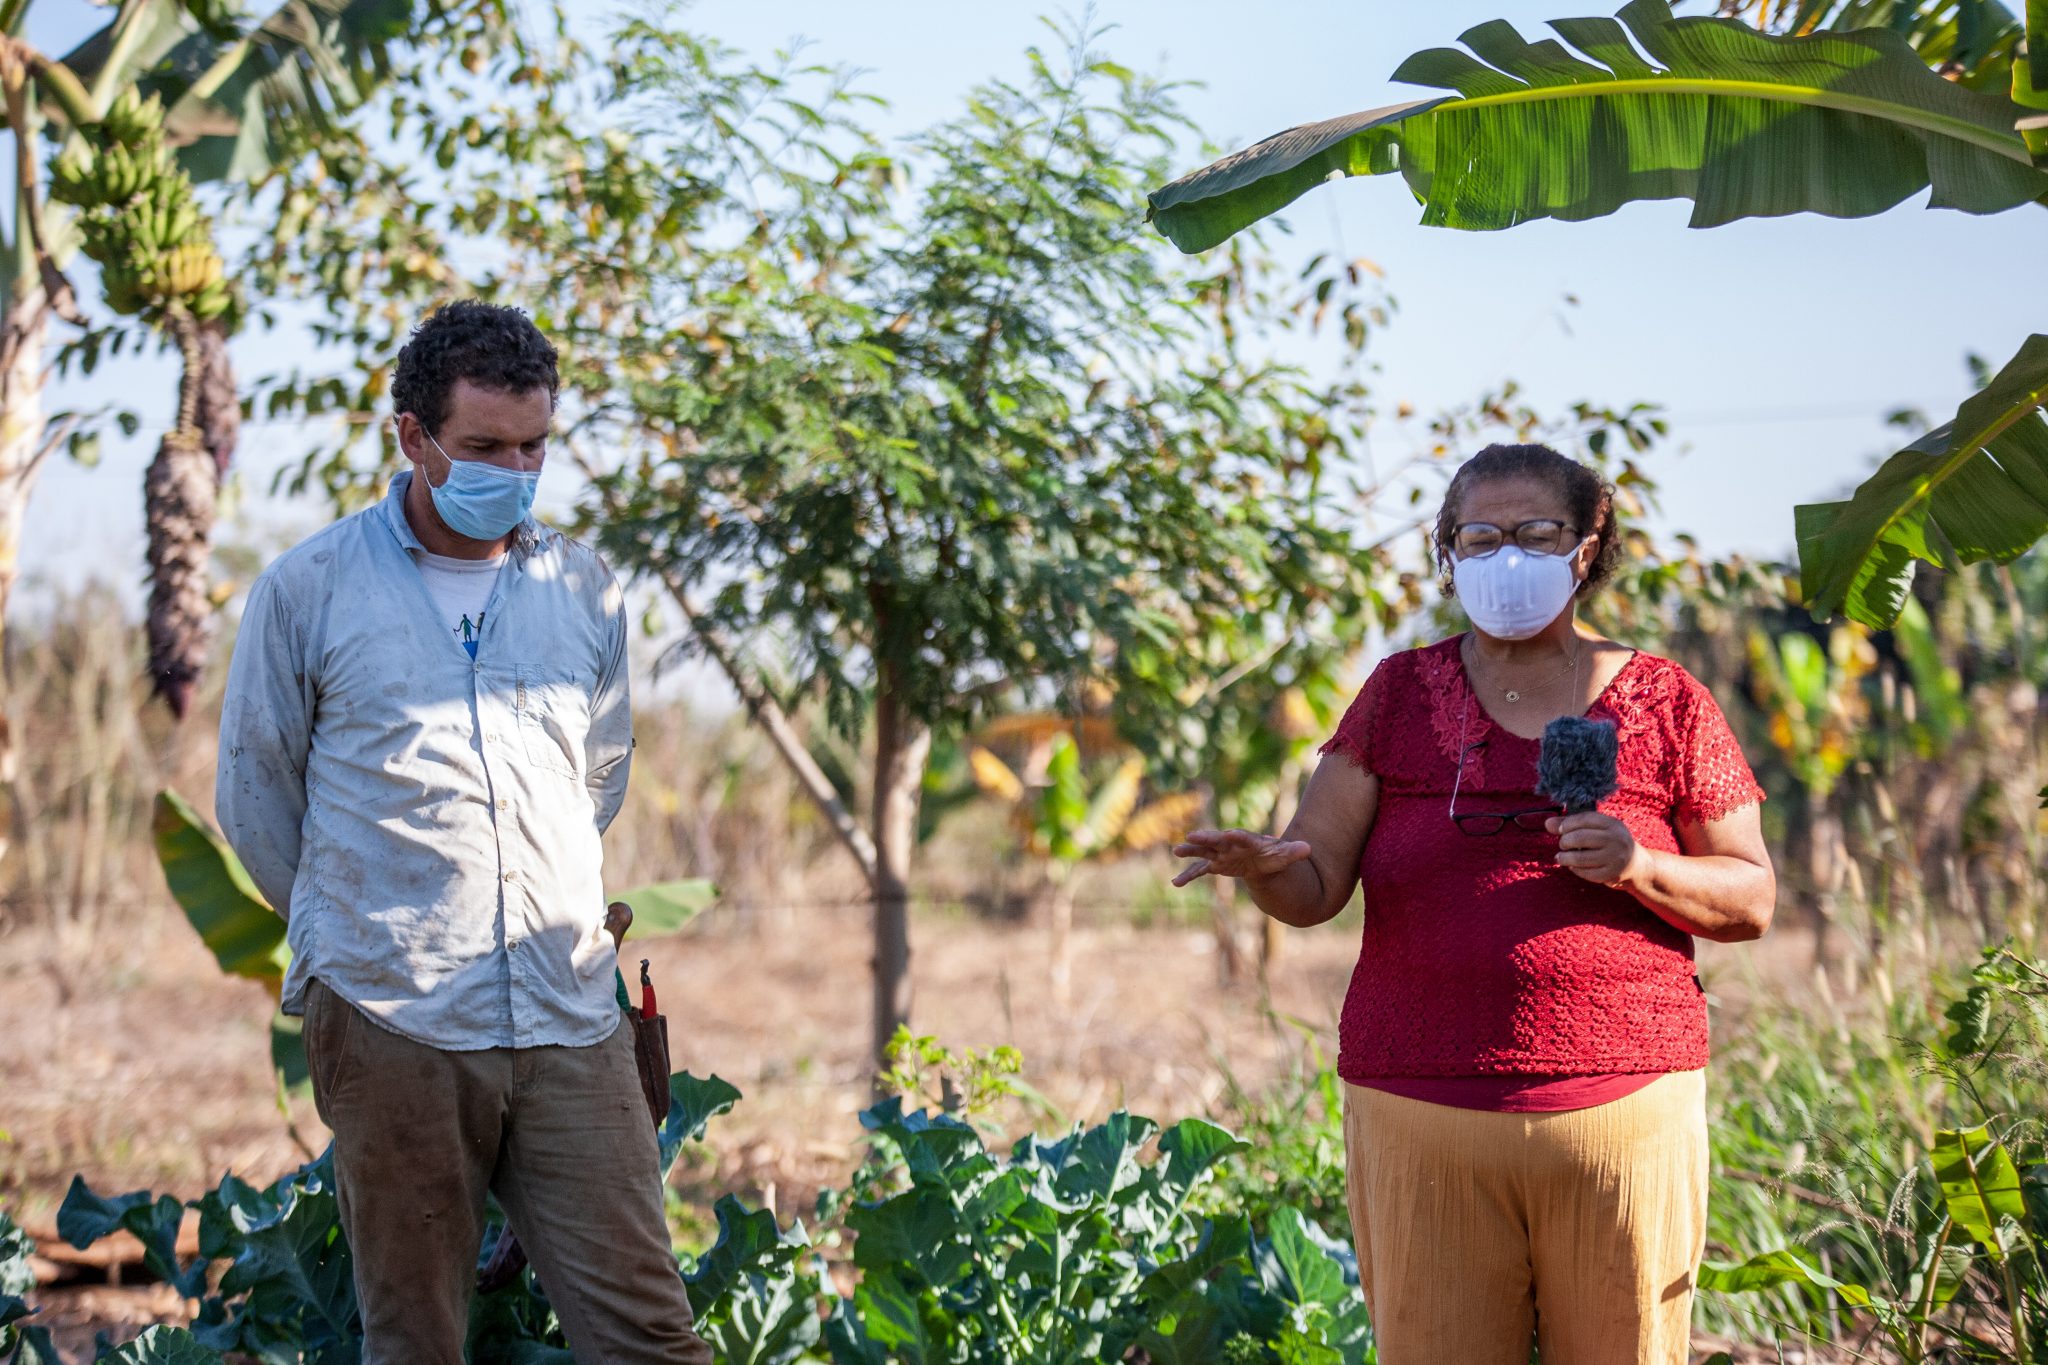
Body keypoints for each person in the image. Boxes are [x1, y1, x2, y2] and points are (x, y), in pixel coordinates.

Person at [1173, 442, 1775, 1365]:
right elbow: (1313, 885)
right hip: (1419, 1114)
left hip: (1622, 1112)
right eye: (1480, 537)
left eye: (1535, 534)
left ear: (1587, 544)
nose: (1506, 559)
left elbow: (1752, 896)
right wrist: (1262, 865)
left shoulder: (1665, 697)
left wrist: (1639, 866)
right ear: (1447, 554)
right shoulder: (1397, 694)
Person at [216, 300, 712, 1364]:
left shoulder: (582, 587)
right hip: (394, 1017)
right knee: (417, 1340)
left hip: (566, 1011)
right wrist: (355, 934)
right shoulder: (310, 591)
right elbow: (258, 797)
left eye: (534, 445)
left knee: (649, 1334)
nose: (515, 469)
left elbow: (600, 772)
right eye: (484, 446)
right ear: (413, 437)